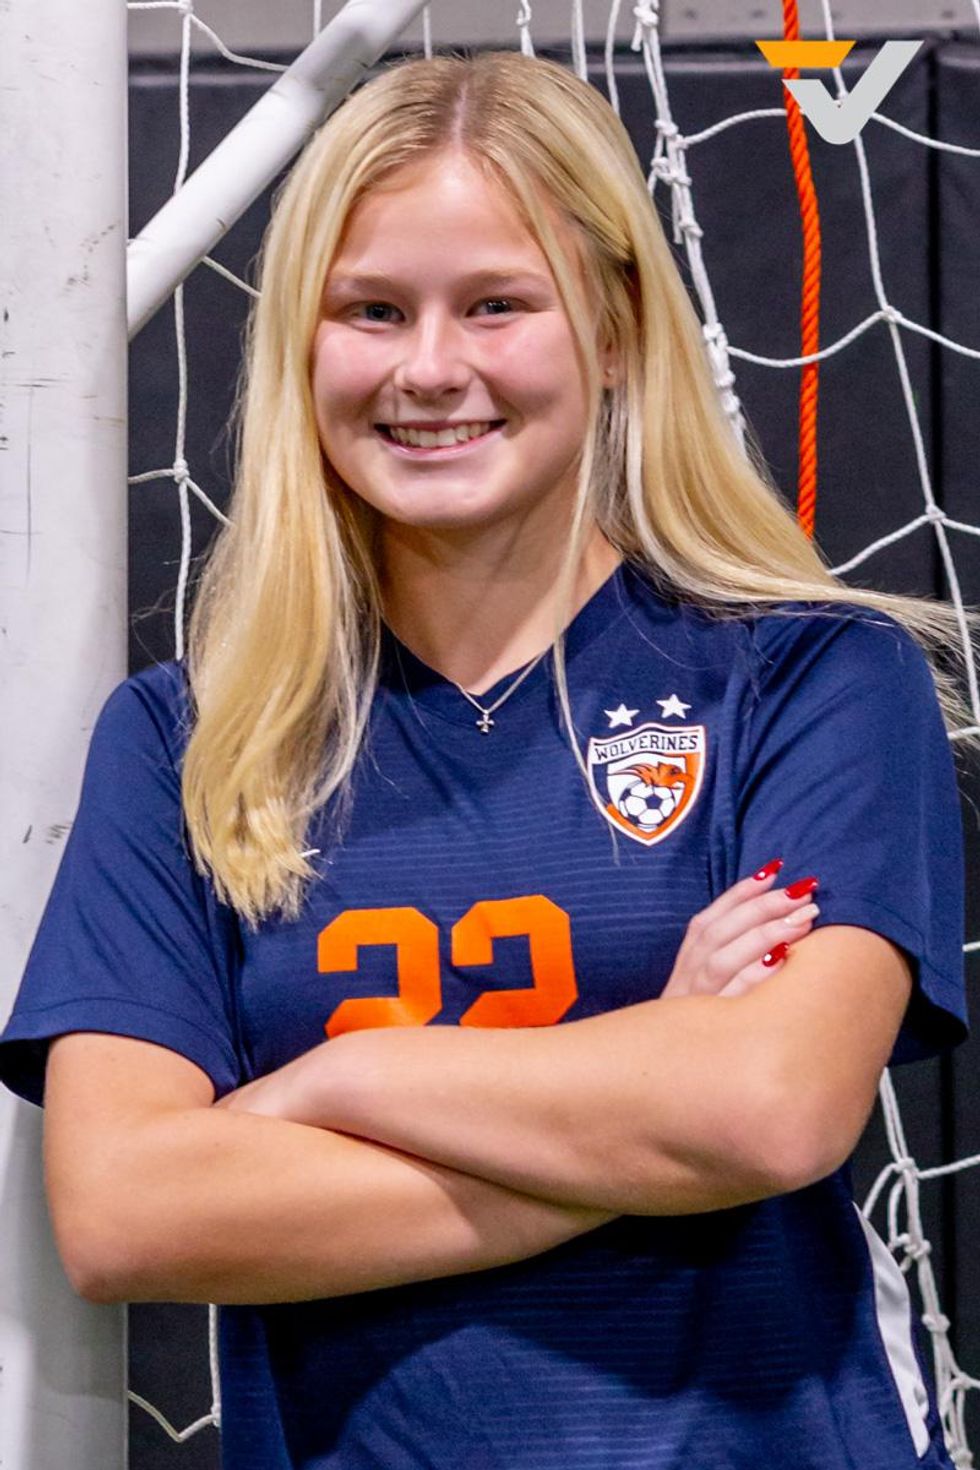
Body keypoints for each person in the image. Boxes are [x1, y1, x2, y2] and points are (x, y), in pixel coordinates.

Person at [0, 48, 971, 1470]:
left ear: (617, 329)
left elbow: (770, 1112)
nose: (430, 368)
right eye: (373, 310)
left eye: (497, 304)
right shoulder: (189, 740)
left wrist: (337, 1081)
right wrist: (650, 1091)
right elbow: (127, 1212)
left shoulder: (814, 677)